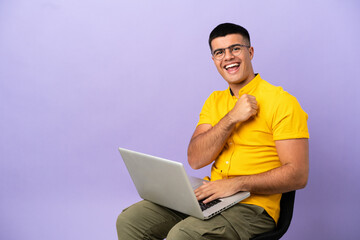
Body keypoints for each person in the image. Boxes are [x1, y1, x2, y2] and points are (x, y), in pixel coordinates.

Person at [116, 23, 309, 240]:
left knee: (183, 235)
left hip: (253, 207)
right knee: (131, 221)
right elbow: (197, 159)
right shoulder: (214, 101)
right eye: (219, 52)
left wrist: (237, 183)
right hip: (212, 194)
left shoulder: (283, 102)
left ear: (250, 52)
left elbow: (298, 175)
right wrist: (232, 118)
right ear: (214, 60)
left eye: (235, 48)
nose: (227, 57)